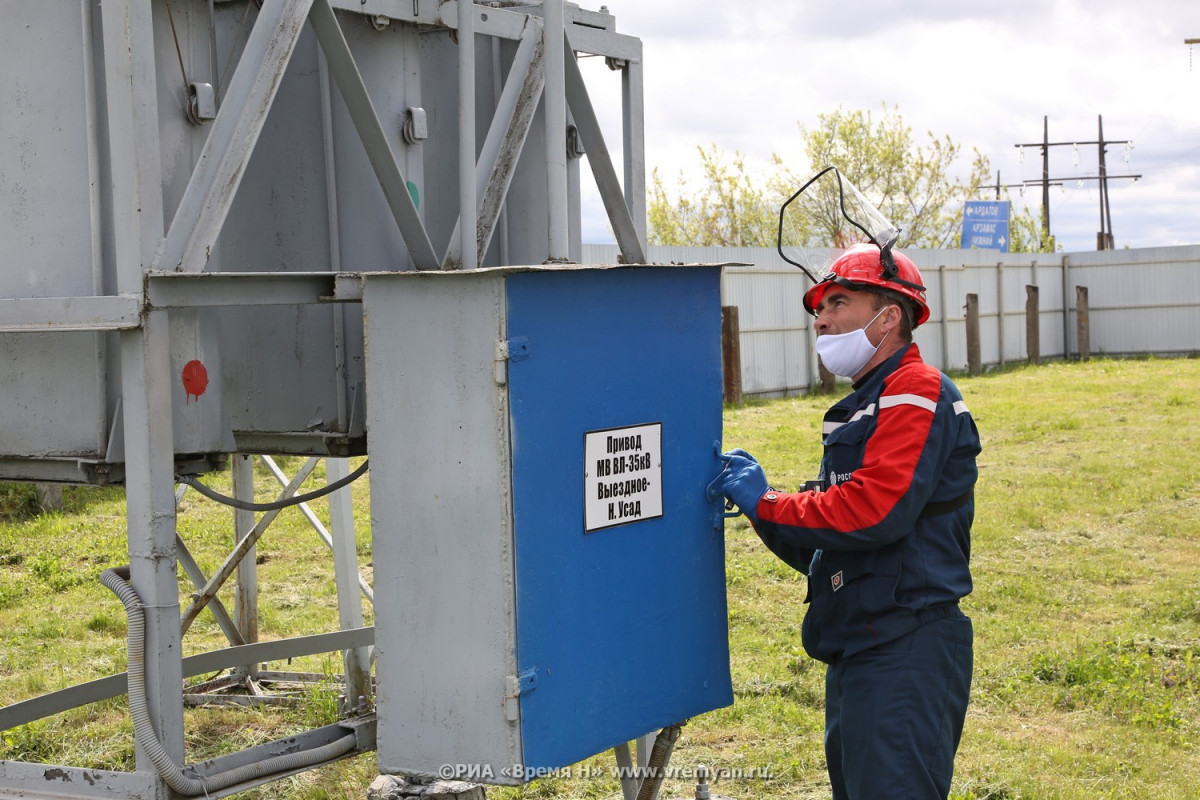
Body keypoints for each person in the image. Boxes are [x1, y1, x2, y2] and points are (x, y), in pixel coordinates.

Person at [707, 242, 981, 800]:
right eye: (818, 310)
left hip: (905, 646)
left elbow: (871, 511)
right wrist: (766, 511)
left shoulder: (914, 389)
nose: (821, 320)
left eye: (837, 303)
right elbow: (833, 545)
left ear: (889, 316)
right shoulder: (869, 400)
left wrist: (769, 503)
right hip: (864, 643)